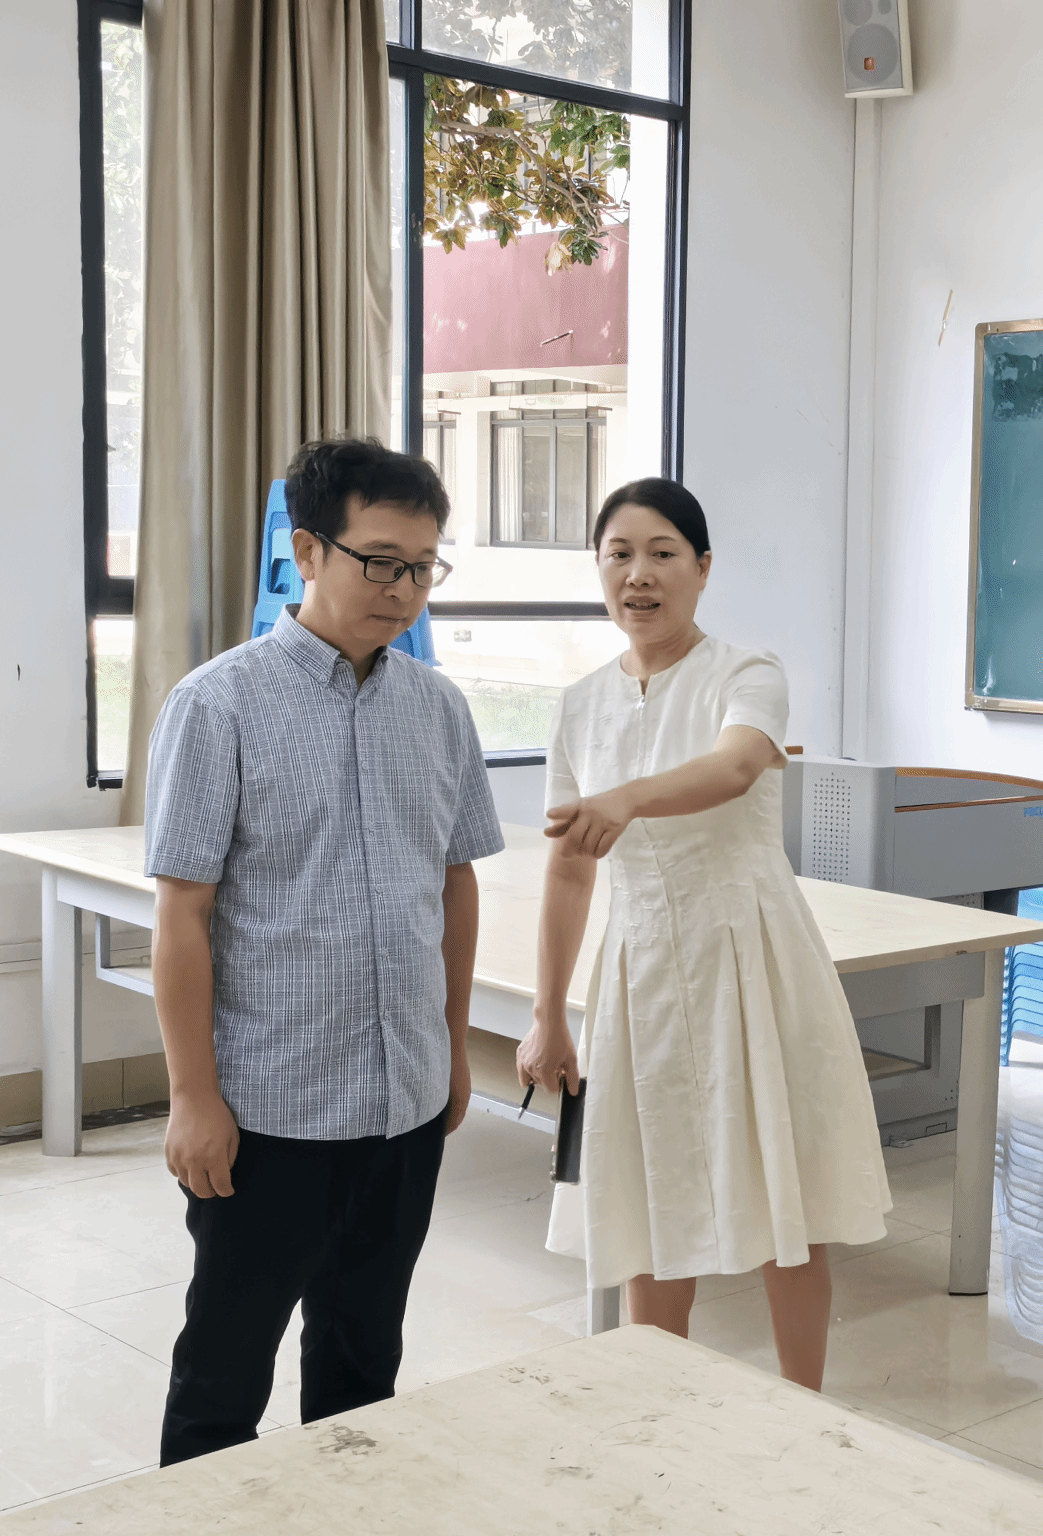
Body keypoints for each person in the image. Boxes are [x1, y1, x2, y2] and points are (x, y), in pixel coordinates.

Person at [144, 438, 503, 1465]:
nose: (403, 590)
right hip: (271, 1110)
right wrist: (192, 1096)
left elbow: (455, 883)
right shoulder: (217, 704)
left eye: (424, 567)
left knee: (362, 1365)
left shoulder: (439, 708)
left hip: (402, 1103)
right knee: (224, 1376)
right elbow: (182, 915)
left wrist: (449, 1050)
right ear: (307, 550)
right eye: (380, 561)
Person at [517, 478, 891, 1391]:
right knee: (649, 1195)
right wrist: (548, 1013)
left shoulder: (746, 672)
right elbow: (569, 870)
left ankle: (803, 1405)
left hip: (749, 953)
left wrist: (626, 800)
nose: (638, 575)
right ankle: (666, 1408)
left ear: (703, 567)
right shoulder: (579, 704)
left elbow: (733, 767)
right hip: (638, 963)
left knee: (782, 1196)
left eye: (662, 554)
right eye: (618, 555)